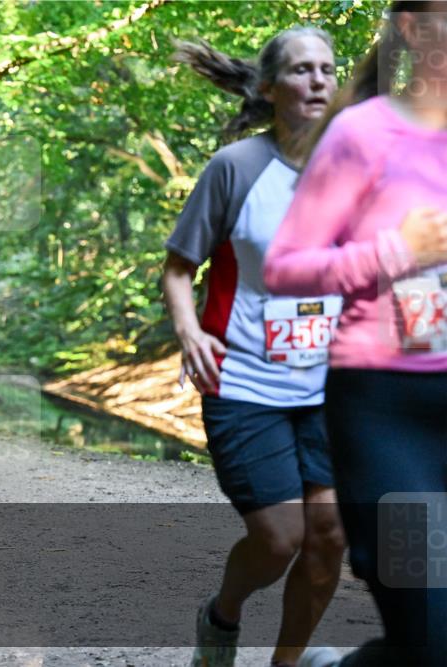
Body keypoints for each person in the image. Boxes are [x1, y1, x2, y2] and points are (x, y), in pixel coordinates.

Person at [264, 4, 446, 666]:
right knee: (429, 638)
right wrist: (396, 250)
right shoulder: (362, 136)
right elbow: (284, 266)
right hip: (386, 412)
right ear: (412, 27)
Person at [162, 28, 346, 667]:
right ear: (269, 89)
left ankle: (286, 664)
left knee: (328, 538)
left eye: (328, 68)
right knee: (278, 537)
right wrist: (188, 331)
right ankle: (222, 616)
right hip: (243, 382)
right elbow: (179, 268)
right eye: (301, 70)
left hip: (330, 384)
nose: (319, 80)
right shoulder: (235, 168)